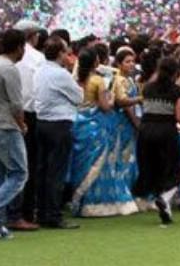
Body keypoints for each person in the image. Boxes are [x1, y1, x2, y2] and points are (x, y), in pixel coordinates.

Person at [134, 57, 180, 225]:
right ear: (175, 72)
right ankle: (165, 198)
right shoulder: (177, 91)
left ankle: (165, 208)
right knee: (177, 170)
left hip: (145, 132)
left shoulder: (148, 88)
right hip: (165, 132)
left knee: (154, 168)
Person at [69, 47, 138, 217]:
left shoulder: (75, 80)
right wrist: (111, 99)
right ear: (95, 62)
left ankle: (79, 202)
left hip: (78, 123)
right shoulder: (98, 80)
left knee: (83, 164)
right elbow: (105, 106)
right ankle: (98, 203)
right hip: (97, 125)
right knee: (101, 164)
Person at [32, 37, 81, 230]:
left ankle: (42, 212)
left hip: (42, 122)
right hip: (59, 124)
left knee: (43, 170)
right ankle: (53, 215)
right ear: (60, 53)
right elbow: (78, 96)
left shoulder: (40, 70)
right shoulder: (61, 74)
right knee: (56, 172)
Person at [0, 29, 29, 239]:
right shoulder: (9, 69)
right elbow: (16, 104)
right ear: (18, 47)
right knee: (18, 173)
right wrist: (22, 125)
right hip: (5, 126)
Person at [8, 25, 45, 232]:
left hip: (8, 115)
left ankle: (7, 213)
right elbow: (31, 95)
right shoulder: (35, 58)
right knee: (24, 167)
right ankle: (21, 213)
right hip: (26, 115)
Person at [112, 47, 142, 202]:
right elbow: (123, 102)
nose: (131, 64)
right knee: (124, 157)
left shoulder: (129, 79)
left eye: (133, 61)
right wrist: (139, 99)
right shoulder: (119, 80)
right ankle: (122, 193)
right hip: (123, 123)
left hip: (131, 121)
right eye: (127, 62)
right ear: (118, 63)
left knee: (131, 157)